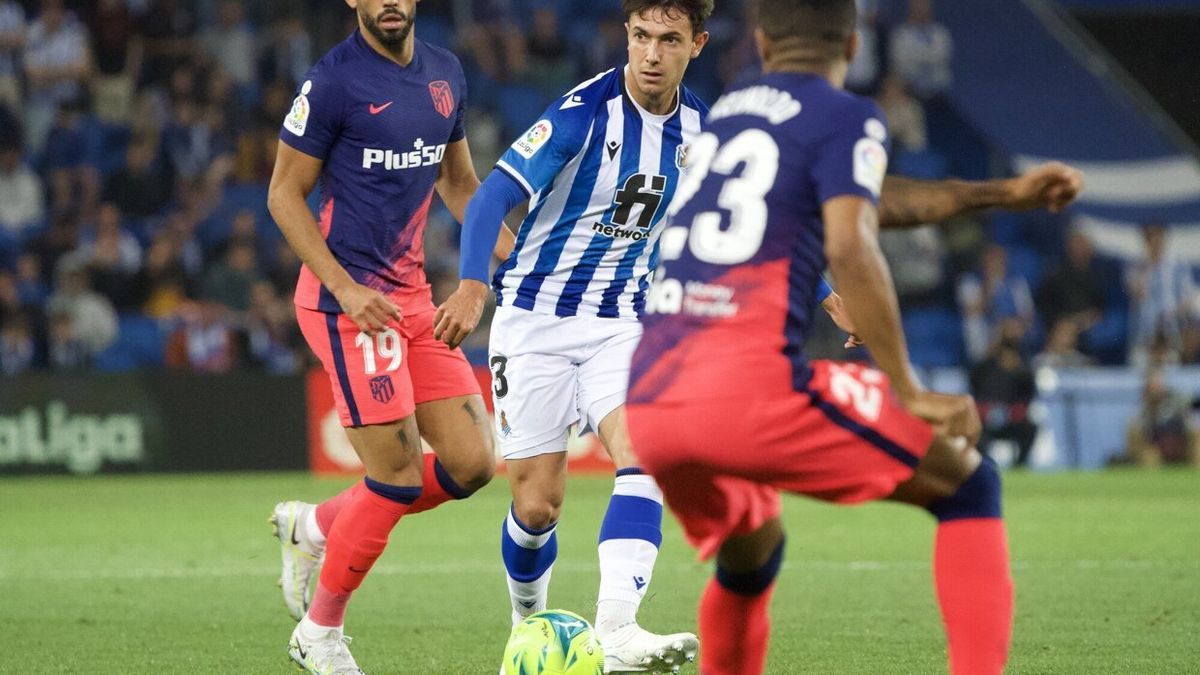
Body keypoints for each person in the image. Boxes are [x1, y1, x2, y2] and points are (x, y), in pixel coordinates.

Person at [439, 1, 1081, 672]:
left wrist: (827, 293)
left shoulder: (709, 125)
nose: (651, 54)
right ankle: (529, 624)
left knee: (644, 455)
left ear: (701, 45)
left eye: (667, 39)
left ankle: (617, 628)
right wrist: (474, 282)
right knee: (537, 502)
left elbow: (755, 232)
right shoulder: (582, 112)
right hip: (536, 317)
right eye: (640, 37)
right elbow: (487, 199)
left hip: (629, 321)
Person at [264, 1, 512, 672]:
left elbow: (460, 184)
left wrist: (509, 257)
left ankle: (314, 526)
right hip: (348, 305)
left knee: (473, 462)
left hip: (412, 300)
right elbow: (284, 194)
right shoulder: (332, 82)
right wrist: (344, 288)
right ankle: (318, 633)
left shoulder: (445, 74)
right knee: (396, 476)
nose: (389, 2)